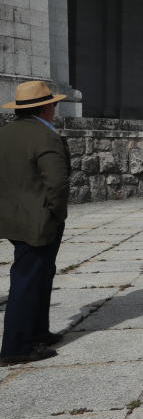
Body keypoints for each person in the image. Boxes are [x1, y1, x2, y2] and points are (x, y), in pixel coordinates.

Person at [0, 81, 70, 364]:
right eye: (53, 104)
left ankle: (39, 331)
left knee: (42, 273)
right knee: (27, 280)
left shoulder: (5, 133)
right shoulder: (45, 136)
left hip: (12, 217)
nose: (55, 109)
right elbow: (57, 182)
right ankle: (15, 347)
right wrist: (56, 213)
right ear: (45, 107)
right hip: (39, 218)